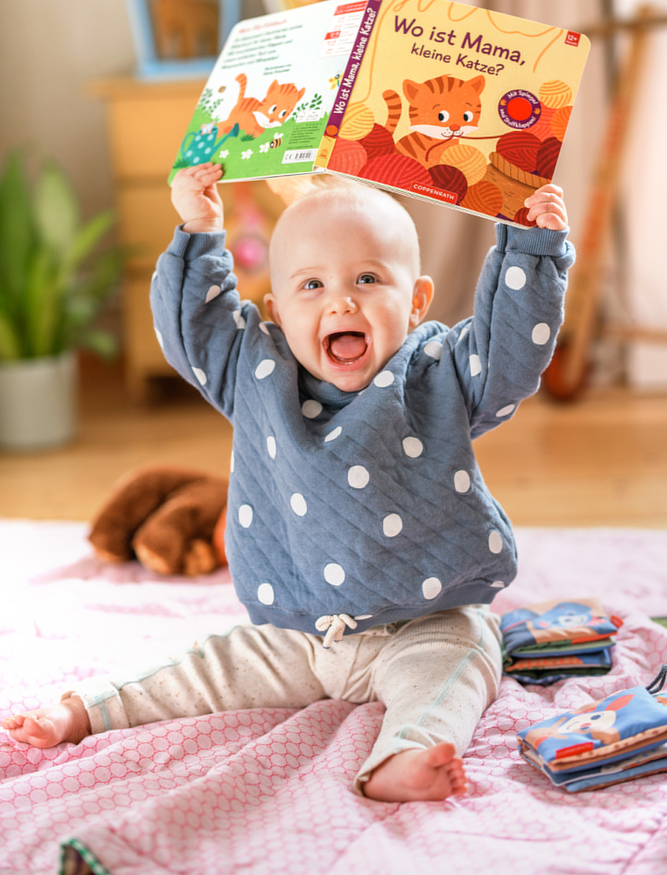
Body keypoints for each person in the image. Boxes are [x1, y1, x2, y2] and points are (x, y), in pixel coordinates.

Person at [2, 164, 573, 802]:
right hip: (295, 632)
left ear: (416, 301)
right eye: (312, 285)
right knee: (200, 669)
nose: (341, 301)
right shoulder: (257, 370)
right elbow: (195, 333)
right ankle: (85, 710)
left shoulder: (439, 370)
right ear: (275, 310)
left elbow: (511, 351)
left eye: (368, 279)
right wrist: (198, 229)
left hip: (425, 620)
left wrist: (530, 245)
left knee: (463, 665)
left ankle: (403, 760)